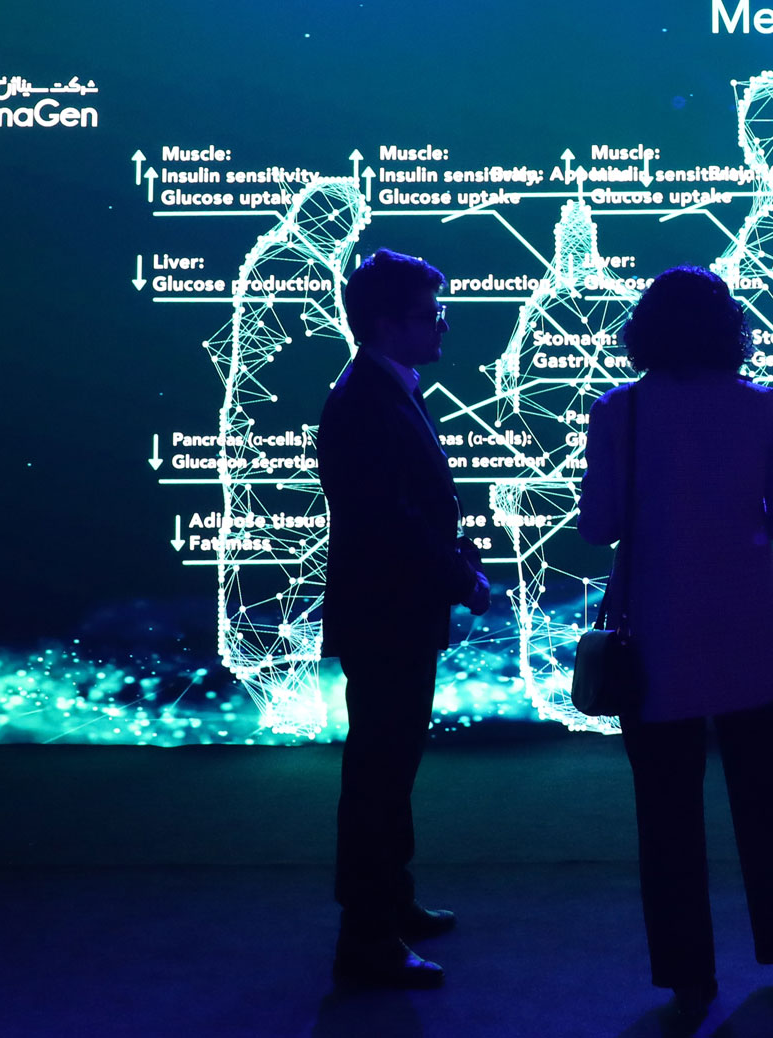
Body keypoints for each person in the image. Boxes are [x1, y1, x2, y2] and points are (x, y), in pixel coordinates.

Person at [578, 266, 773, 1013]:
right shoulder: (760, 406)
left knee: (665, 810)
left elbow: (597, 526)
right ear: (730, 331)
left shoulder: (619, 412)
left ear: (646, 331)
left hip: (654, 636)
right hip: (747, 629)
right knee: (769, 794)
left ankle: (688, 977)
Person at [318, 249, 494, 989]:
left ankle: (390, 905)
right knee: (379, 775)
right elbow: (392, 521)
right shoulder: (368, 399)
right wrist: (461, 576)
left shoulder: (380, 388)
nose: (443, 325)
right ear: (388, 323)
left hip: (391, 613)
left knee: (387, 769)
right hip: (388, 614)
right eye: (432, 314)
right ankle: (368, 938)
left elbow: (405, 509)